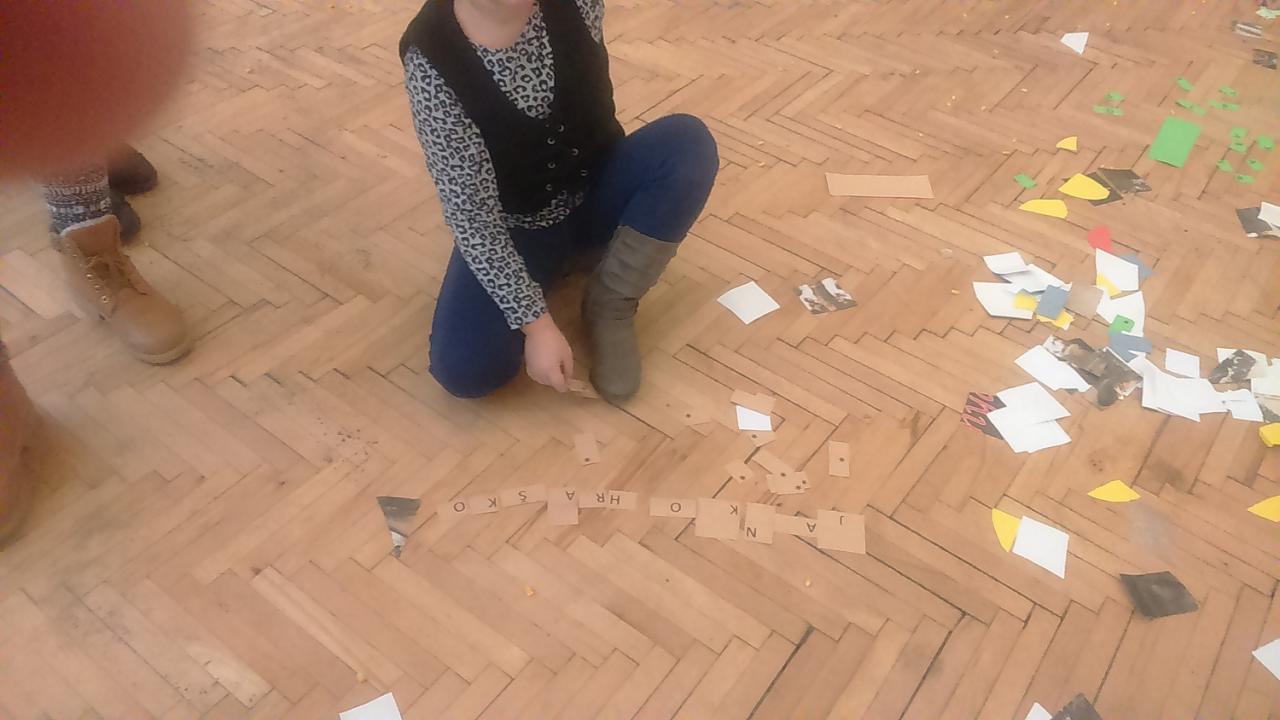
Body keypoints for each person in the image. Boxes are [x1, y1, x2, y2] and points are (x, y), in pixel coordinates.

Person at [400, 0, 718, 403]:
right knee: (465, 369)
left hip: (600, 191)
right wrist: (537, 326)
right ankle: (555, 270)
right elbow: (473, 219)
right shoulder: (431, 57)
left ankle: (610, 303)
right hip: (522, 228)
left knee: (687, 145)